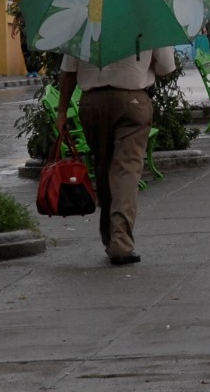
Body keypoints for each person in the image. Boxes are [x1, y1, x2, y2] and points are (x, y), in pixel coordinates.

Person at [56, 45, 178, 265]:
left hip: (92, 103)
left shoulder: (86, 19)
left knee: (103, 167)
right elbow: (166, 68)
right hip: (133, 101)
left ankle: (110, 237)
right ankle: (120, 242)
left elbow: (69, 71)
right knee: (126, 168)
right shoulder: (148, 17)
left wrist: (62, 111)